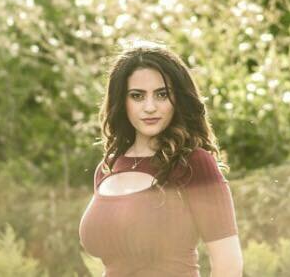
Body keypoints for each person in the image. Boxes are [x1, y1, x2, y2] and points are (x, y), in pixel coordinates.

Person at [79, 40, 243, 277]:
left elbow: (228, 265)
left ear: (177, 99)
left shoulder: (193, 164)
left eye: (162, 94)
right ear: (122, 101)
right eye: (137, 96)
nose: (150, 107)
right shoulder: (108, 168)